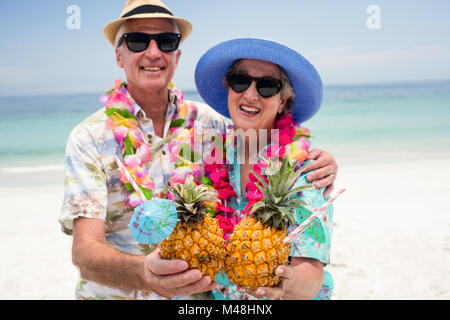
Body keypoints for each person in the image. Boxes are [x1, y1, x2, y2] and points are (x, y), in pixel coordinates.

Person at [59, 0, 338, 300]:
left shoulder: (208, 127)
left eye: (165, 41)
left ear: (176, 55)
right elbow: (84, 252)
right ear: (118, 54)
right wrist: (144, 273)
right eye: (138, 40)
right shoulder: (89, 137)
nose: (153, 52)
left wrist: (322, 162)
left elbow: (309, 266)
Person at [194, 38, 335, 300]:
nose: (250, 94)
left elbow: (311, 271)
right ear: (228, 89)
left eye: (267, 86)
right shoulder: (208, 156)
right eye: (240, 81)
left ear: (283, 101)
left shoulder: (303, 168)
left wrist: (288, 283)